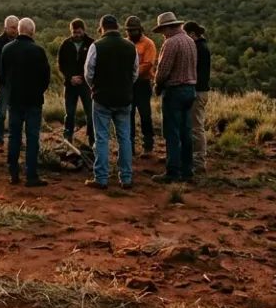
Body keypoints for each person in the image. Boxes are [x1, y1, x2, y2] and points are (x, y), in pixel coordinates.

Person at [84, 15, 139, 189]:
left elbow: (88, 73)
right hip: (124, 98)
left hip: (102, 98)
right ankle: (126, 177)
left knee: (101, 138)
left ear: (102, 29)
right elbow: (134, 72)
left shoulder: (96, 46)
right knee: (124, 138)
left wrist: (95, 87)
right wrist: (126, 86)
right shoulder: (130, 47)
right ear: (117, 27)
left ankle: (101, 178)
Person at [1, 18, 51, 186]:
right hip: (33, 101)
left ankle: (13, 173)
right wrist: (38, 91)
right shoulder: (38, 51)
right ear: (32, 31)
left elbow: (2, 75)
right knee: (32, 137)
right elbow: (46, 77)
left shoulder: (6, 49)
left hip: (14, 99)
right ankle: (31, 175)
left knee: (14, 136)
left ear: (19, 30)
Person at [151, 12, 198, 183]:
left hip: (175, 90)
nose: (163, 34)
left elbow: (163, 71)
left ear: (168, 27)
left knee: (172, 132)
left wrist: (157, 86)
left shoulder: (171, 43)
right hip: (190, 89)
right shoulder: (190, 41)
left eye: (163, 30)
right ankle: (187, 170)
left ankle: (172, 171)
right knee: (186, 132)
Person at [58, 19, 95, 148]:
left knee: (90, 113)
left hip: (86, 84)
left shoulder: (91, 44)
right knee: (70, 113)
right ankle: (68, 139)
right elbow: (61, 64)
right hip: (70, 84)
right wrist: (70, 77)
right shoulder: (66, 44)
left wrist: (85, 78)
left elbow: (94, 64)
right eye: (74, 32)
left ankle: (92, 140)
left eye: (79, 32)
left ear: (83, 30)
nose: (76, 35)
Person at [125, 16, 158, 157]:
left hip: (143, 83)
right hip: (129, 85)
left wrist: (130, 74)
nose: (131, 33)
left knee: (145, 115)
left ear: (140, 30)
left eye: (134, 30)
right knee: (128, 116)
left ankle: (148, 146)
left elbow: (148, 64)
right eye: (129, 30)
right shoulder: (126, 44)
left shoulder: (148, 44)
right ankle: (129, 146)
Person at [184, 21, 212, 175]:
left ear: (192, 34)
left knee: (196, 127)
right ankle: (193, 159)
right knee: (194, 126)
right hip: (200, 90)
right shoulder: (202, 46)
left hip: (197, 91)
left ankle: (199, 162)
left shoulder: (198, 48)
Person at [0, 16, 19, 151]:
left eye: (17, 27)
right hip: (5, 83)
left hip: (18, 83)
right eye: (13, 27)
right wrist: (2, 81)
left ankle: (15, 140)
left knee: (17, 112)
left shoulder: (20, 41)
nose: (16, 30)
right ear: (6, 27)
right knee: (1, 112)